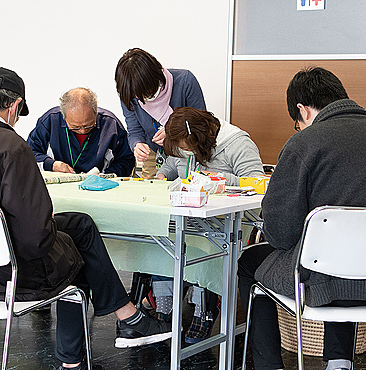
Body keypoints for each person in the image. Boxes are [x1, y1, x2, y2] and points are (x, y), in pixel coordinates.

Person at [0, 67, 171, 370]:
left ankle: (126, 321)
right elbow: (36, 240)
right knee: (78, 252)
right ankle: (101, 340)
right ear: (14, 106)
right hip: (6, 277)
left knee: (80, 224)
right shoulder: (9, 146)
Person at [237, 67, 366, 370]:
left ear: (302, 110)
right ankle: (340, 362)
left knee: (247, 262)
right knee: (342, 250)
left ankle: (268, 366)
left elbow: (280, 235)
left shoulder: (305, 144)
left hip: (329, 281)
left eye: (298, 124)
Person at [152, 107, 264, 343]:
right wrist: (161, 178)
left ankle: (205, 309)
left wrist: (218, 180)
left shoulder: (237, 144)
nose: (184, 153)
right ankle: (165, 308)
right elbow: (170, 168)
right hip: (187, 216)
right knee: (158, 234)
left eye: (187, 148)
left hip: (224, 223)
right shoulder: (183, 141)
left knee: (205, 243)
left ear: (201, 140)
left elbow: (258, 185)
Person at [114, 48, 207, 177]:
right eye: (136, 96)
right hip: (154, 156)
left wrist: (173, 132)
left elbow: (202, 124)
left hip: (187, 152)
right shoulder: (129, 94)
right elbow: (134, 130)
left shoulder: (185, 81)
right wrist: (137, 145)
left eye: (144, 93)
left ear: (156, 77)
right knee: (153, 193)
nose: (140, 99)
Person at [27, 87, 135, 177]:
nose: (82, 131)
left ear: (95, 111)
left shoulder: (111, 125)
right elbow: (29, 152)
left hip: (100, 187)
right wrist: (52, 164)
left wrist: (106, 175)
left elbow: (126, 160)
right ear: (64, 116)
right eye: (75, 127)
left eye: (88, 125)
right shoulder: (50, 121)